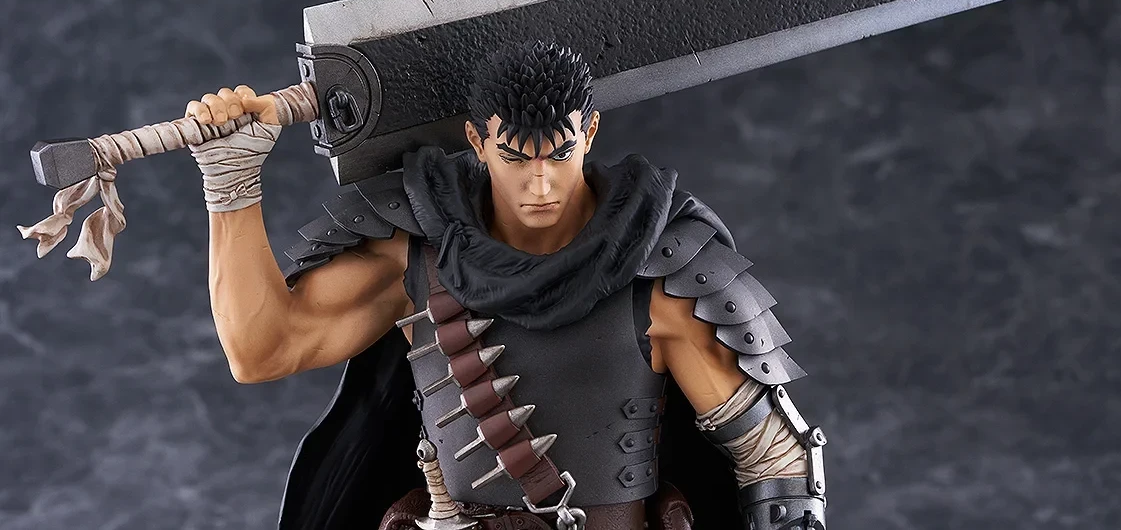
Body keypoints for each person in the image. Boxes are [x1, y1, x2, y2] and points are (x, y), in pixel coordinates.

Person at [185, 42, 828, 530]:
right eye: (517, 158)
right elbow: (261, 350)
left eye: (559, 153)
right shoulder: (418, 255)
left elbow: (777, 461)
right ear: (478, 140)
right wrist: (231, 183)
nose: (540, 185)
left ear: (589, 132)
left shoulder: (664, 269)